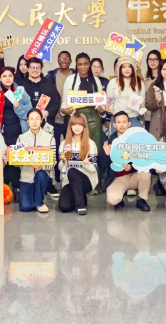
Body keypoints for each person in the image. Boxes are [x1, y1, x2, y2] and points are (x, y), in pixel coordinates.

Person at [60, 53, 105, 189]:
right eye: (80, 64)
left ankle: (95, 183)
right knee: (75, 148)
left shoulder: (96, 80)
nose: (83, 67)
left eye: (85, 64)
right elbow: (64, 103)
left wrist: (102, 109)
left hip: (93, 118)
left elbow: (101, 104)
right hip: (76, 119)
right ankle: (73, 180)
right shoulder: (70, 80)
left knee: (94, 149)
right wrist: (65, 110)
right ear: (76, 65)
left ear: (89, 64)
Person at [0, 67, 32, 198]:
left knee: (15, 157)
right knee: (3, 157)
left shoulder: (20, 91)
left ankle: (17, 187)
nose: (7, 78)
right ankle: (3, 187)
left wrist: (18, 107)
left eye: (10, 76)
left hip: (18, 128)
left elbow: (29, 110)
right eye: (4, 76)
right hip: (1, 129)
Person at [101, 111, 151, 211]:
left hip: (134, 176)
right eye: (118, 122)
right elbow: (102, 165)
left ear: (129, 124)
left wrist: (131, 167)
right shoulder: (109, 141)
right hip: (117, 178)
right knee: (113, 200)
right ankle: (121, 195)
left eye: (124, 122)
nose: (121, 125)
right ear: (114, 125)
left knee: (146, 174)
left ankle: (142, 200)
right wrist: (107, 155)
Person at [16, 109, 57, 212]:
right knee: (26, 207)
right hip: (26, 178)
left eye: (37, 119)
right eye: (31, 119)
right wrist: (26, 162)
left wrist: (41, 166)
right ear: (27, 121)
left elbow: (53, 161)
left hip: (44, 177)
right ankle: (35, 197)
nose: (34, 122)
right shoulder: (21, 138)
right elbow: (16, 162)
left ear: (41, 120)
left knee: (41, 174)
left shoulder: (50, 138)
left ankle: (39, 203)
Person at [57, 113, 98, 215]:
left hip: (87, 180)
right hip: (69, 181)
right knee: (64, 207)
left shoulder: (90, 143)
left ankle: (80, 206)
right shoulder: (64, 144)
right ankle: (81, 197)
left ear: (84, 126)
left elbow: (93, 169)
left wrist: (86, 164)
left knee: (72, 171)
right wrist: (63, 161)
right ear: (70, 126)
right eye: (74, 124)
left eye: (80, 124)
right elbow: (60, 168)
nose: (77, 127)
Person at [46, 50, 75, 162]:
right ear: (58, 61)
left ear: (70, 61)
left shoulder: (76, 75)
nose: (63, 61)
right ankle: (58, 171)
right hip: (56, 119)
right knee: (56, 148)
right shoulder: (50, 77)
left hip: (72, 119)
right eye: (61, 59)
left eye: (66, 58)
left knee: (72, 148)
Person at [106, 55, 147, 128]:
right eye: (124, 67)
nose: (127, 69)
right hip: (118, 118)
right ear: (119, 69)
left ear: (133, 68)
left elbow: (142, 102)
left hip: (134, 118)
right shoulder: (113, 82)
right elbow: (110, 100)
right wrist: (109, 108)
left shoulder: (139, 82)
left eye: (129, 67)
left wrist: (141, 110)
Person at [22, 57, 62, 131]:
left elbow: (57, 101)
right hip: (25, 124)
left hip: (45, 124)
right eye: (32, 67)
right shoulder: (21, 85)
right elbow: (17, 104)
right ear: (27, 69)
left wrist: (48, 112)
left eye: (38, 68)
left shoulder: (49, 84)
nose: (35, 70)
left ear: (41, 69)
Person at [143, 50, 161, 131]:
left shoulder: (163, 77)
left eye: (155, 59)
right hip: (148, 115)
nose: (152, 62)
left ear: (159, 60)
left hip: (160, 115)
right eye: (150, 59)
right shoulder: (145, 78)